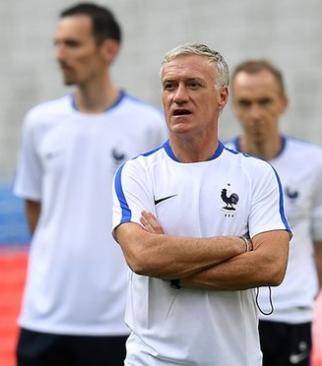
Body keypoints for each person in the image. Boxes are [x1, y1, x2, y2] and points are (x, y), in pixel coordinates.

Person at [112, 43, 292, 365]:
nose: (179, 96)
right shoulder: (137, 172)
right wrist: (237, 244)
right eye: (170, 86)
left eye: (193, 84)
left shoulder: (256, 174)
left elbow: (271, 266)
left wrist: (172, 269)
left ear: (222, 97)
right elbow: (142, 256)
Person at [13, 3, 166, 365]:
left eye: (72, 45)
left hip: (121, 319)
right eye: (57, 44)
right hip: (45, 314)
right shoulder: (39, 122)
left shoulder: (148, 126)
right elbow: (36, 211)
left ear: (108, 50)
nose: (59, 55)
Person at [226, 60, 322, 366]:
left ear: (283, 103)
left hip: (291, 314)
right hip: (232, 313)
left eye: (265, 102)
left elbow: (319, 244)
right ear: (232, 106)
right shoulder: (219, 165)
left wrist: (310, 300)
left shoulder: (313, 163)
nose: (256, 114)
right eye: (245, 103)